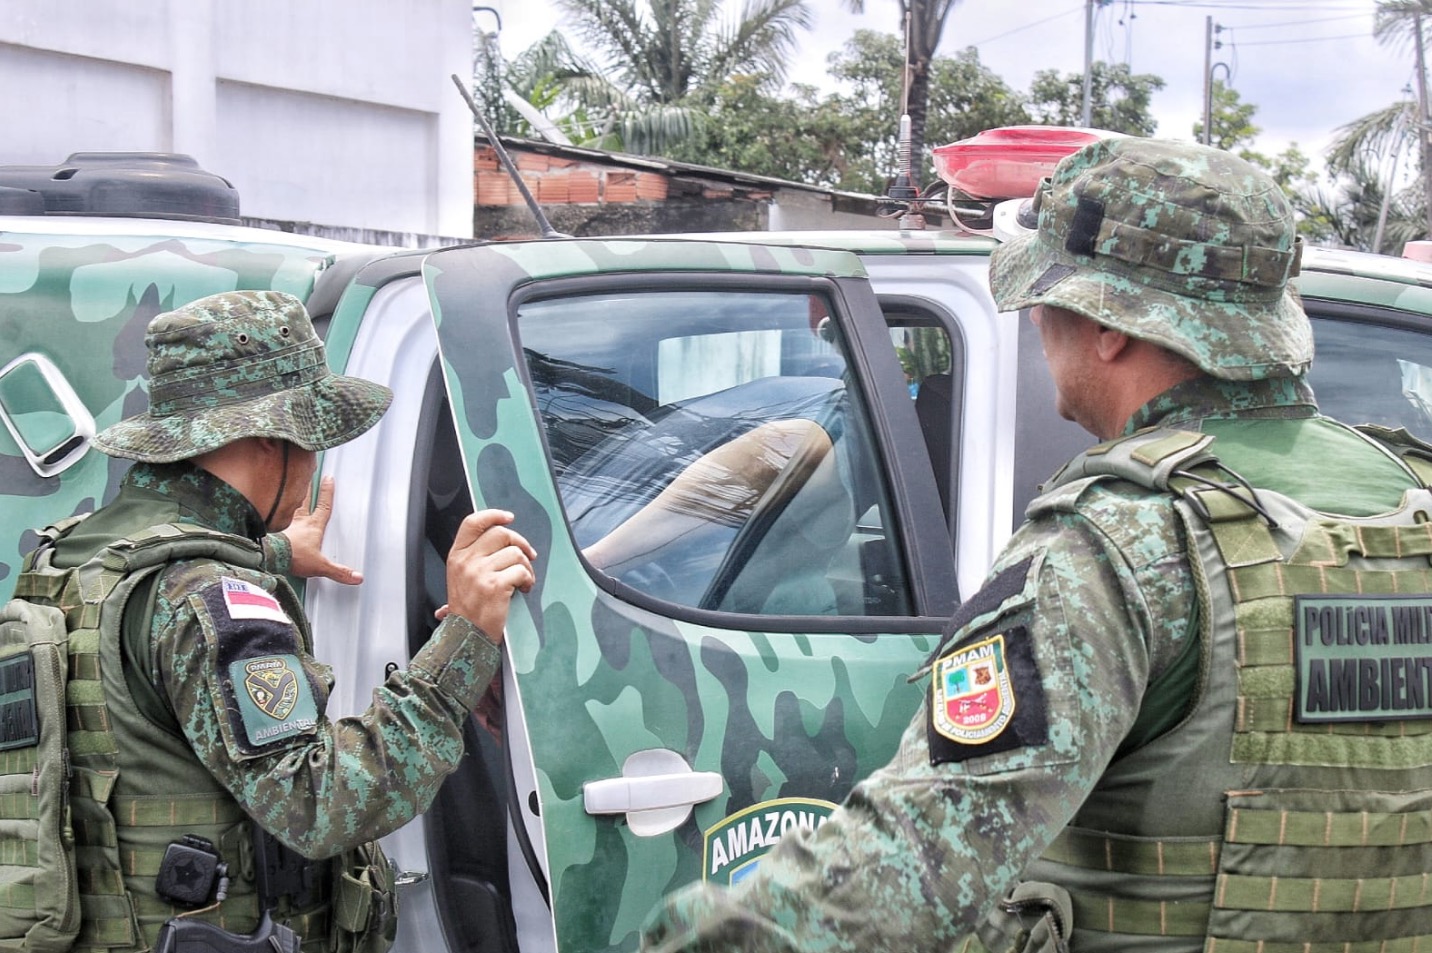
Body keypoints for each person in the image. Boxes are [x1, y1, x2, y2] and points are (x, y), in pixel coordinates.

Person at [641, 138, 1432, 952]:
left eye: (1047, 300)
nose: (1039, 325)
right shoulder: (1411, 499)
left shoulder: (1124, 542)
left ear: (1110, 328)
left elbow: (913, 863)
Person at [14, 290, 535, 952]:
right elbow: (321, 803)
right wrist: (462, 637)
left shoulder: (73, 555)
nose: (316, 464)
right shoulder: (209, 601)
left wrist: (276, 553)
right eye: (312, 439)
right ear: (267, 437)